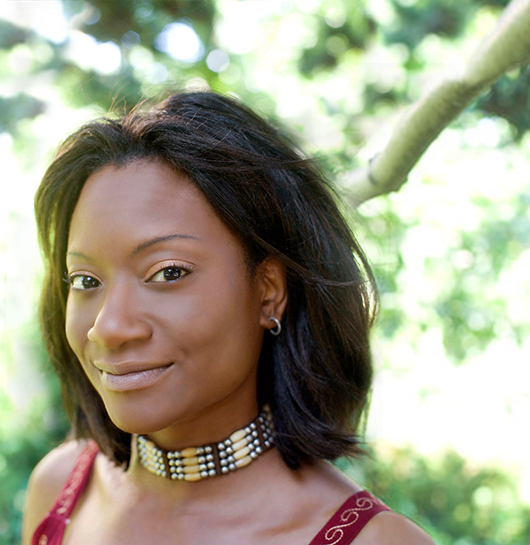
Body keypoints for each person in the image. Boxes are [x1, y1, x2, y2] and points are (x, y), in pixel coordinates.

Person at [22, 91, 434, 544]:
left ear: (268, 291)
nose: (109, 327)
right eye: (84, 281)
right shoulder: (60, 490)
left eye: (168, 272)